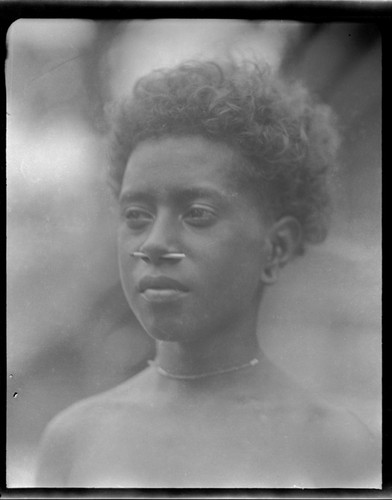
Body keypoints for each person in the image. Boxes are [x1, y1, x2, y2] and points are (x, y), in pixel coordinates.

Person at [35, 59, 380, 488]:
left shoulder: (337, 449)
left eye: (197, 214)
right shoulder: (73, 439)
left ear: (277, 247)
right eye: (137, 215)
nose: (155, 244)